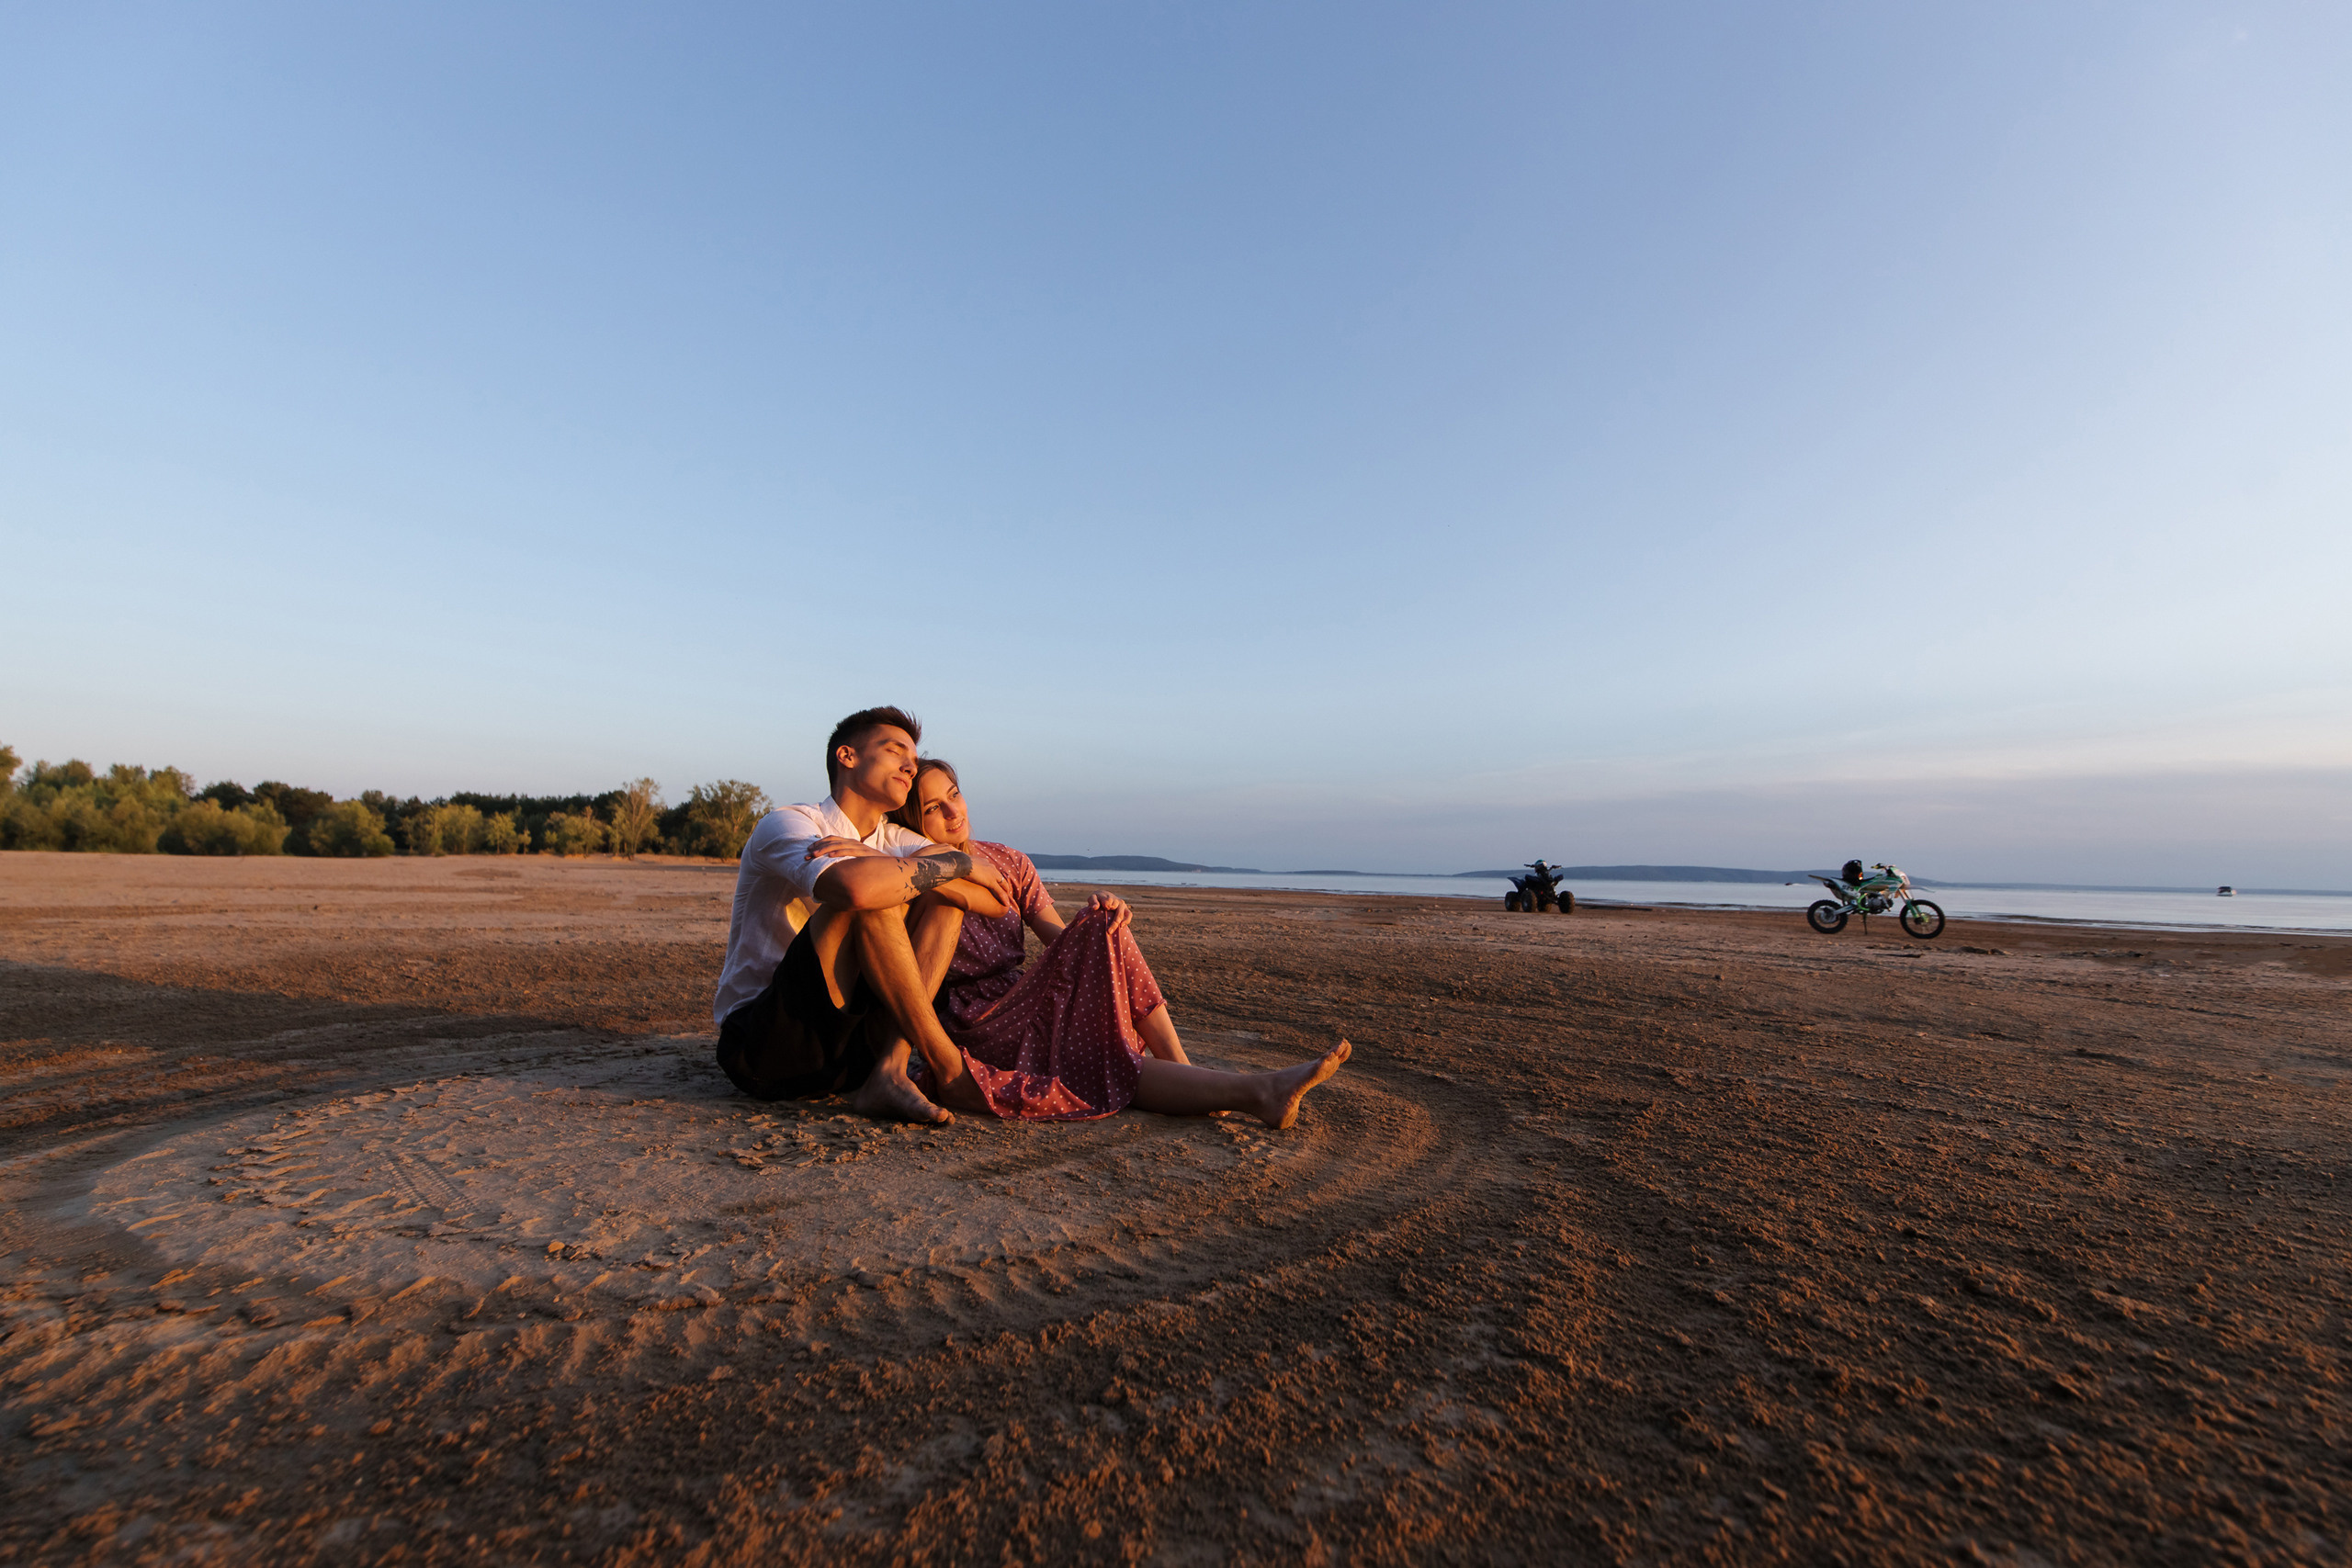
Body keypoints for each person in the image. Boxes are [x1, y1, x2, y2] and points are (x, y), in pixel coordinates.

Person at [888, 757, 1350, 1128]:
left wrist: (1101, 915)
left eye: (954, 795)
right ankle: (1241, 1090)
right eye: (932, 808)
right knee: (1100, 1060)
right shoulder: (918, 869)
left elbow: (1058, 941)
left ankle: (1190, 1071)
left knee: (1104, 921)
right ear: (912, 821)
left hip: (1023, 990)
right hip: (977, 1015)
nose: (953, 812)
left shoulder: (1008, 859)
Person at [711, 705, 1014, 1124]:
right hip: (770, 1042)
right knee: (874, 896)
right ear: (847, 756)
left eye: (913, 759)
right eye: (895, 751)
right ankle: (948, 1066)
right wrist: (958, 865)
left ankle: (890, 1069)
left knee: (941, 899)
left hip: (853, 1051)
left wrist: (889, 861)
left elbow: (996, 901)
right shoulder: (790, 823)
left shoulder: (893, 838)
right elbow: (855, 889)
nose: (910, 766)